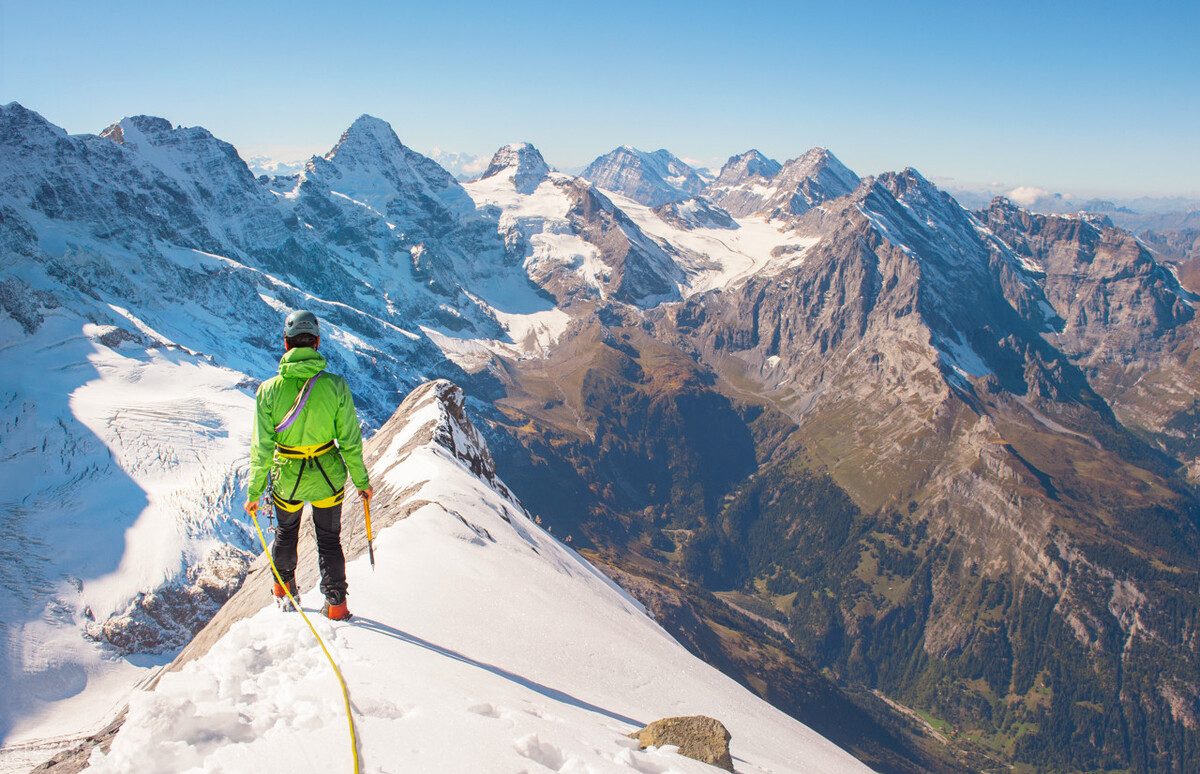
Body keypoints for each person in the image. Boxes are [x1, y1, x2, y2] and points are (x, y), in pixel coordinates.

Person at [244, 310, 372, 620]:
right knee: (329, 539)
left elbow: (262, 449)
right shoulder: (336, 386)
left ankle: (284, 592)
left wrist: (254, 492)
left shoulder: (268, 391)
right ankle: (337, 605)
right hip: (328, 477)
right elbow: (350, 442)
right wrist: (362, 482)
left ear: (285, 343)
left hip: (288, 478)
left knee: (286, 535)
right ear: (316, 342)